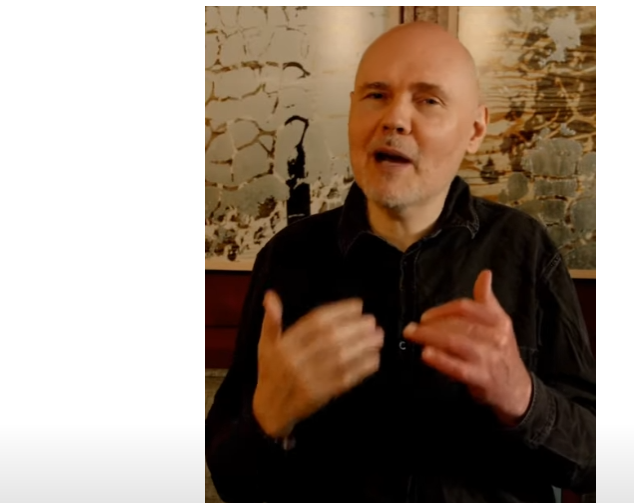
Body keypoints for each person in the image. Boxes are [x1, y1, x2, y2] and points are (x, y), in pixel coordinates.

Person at [206, 21, 595, 503]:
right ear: (352, 111)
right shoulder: (288, 257)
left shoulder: (527, 250)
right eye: (376, 95)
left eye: (428, 100)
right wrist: (268, 418)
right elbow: (230, 479)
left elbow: (594, 462)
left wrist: (522, 398)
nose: (394, 119)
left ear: (475, 129)